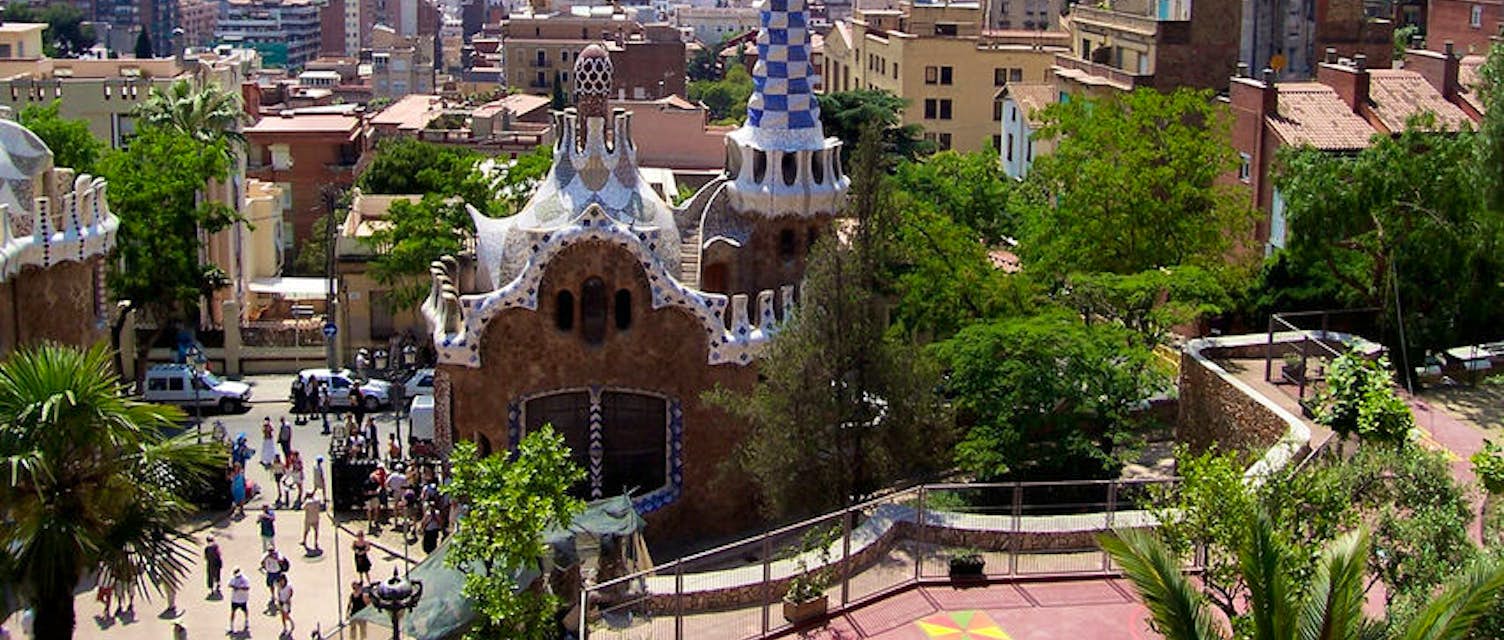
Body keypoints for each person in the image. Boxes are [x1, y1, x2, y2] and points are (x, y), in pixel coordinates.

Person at [228, 567, 251, 634]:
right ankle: (231, 626)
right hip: (235, 599)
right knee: (233, 612)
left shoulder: (245, 579)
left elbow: (247, 587)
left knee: (245, 610)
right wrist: (233, 586)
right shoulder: (233, 578)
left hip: (243, 599)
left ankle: (246, 621)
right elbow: (229, 584)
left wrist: (239, 588)